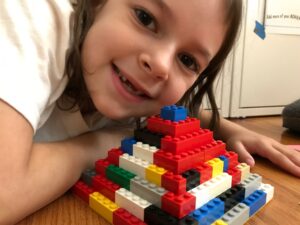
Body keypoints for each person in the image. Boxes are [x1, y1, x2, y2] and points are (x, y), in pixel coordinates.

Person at [0, 0, 299, 224]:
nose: (160, 64)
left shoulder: (131, 84)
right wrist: (97, 146)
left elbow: (178, 111)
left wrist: (235, 130)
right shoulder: (37, 15)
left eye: (187, 60)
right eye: (145, 18)